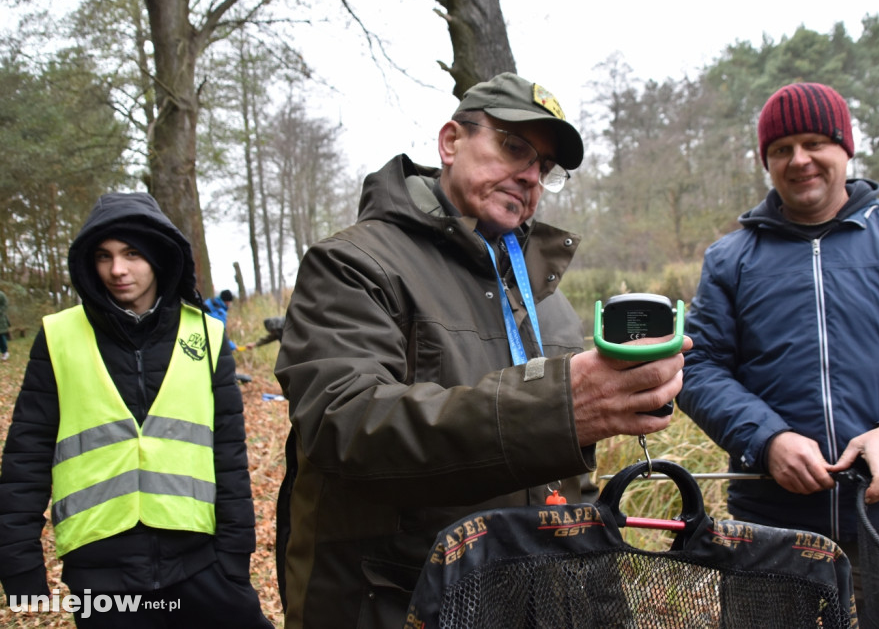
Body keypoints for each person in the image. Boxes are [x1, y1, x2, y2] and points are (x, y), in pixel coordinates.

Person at [274, 72, 688, 628]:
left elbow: (572, 488)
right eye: (513, 145)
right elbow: (343, 425)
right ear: (451, 142)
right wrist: (558, 405)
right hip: (400, 601)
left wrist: (601, 608)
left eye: (543, 166)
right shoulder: (353, 264)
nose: (529, 175)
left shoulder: (547, 300)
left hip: (527, 603)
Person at [679, 82, 879, 620]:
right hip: (769, 519)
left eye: (813, 143)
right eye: (781, 149)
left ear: (845, 150)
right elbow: (698, 366)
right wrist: (768, 439)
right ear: (767, 161)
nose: (798, 160)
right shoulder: (730, 259)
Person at [0, 192, 273, 628]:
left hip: (200, 565)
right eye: (104, 256)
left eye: (132, 253)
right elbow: (25, 459)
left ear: (159, 257)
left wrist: (235, 560)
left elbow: (229, 454)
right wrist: (21, 572)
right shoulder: (58, 337)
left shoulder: (206, 334)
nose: (117, 270)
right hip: (102, 575)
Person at [0, 288, 9, 361]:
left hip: (1, 320)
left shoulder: (1, 295)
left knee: (2, 337)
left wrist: (0, 311)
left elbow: (5, 304)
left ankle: (5, 352)